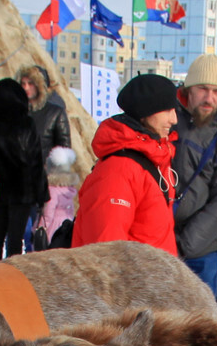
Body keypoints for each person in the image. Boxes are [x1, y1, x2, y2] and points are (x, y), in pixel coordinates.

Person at [166, 54, 217, 291]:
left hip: (200, 250)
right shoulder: (165, 119)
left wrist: (182, 245)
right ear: (189, 89)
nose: (209, 98)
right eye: (202, 89)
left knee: (198, 324)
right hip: (155, 238)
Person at [73, 73, 179, 251]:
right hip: (134, 278)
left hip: (153, 275)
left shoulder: (154, 158)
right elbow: (105, 251)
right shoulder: (119, 170)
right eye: (167, 110)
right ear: (145, 112)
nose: (174, 119)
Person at [0, 77, 45, 264]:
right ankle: (12, 274)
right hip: (22, 190)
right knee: (15, 238)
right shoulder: (26, 122)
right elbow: (35, 160)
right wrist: (41, 194)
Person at [21, 64, 70, 154]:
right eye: (23, 84)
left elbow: (64, 151)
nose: (26, 88)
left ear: (39, 85)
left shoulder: (55, 113)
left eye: (30, 83)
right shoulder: (15, 112)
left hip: (44, 166)